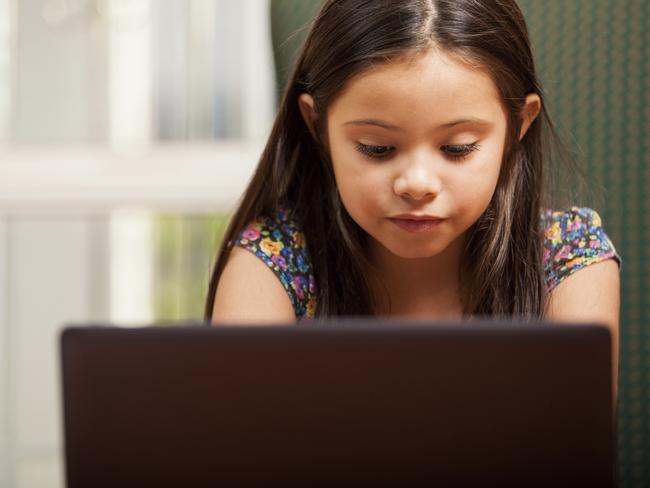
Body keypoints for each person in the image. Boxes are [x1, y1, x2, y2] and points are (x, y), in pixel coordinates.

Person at [205, 0, 621, 397]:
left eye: (457, 148)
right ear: (318, 127)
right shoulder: (272, 261)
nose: (417, 184)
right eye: (376, 148)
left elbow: (570, 455)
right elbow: (240, 452)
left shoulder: (567, 258)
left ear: (517, 128)